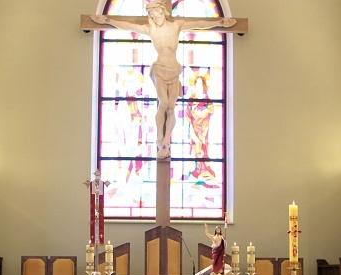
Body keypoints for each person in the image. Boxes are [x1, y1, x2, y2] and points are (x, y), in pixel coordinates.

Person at [92, 1, 235, 160]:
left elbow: (199, 24)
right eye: (152, 15)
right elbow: (127, 26)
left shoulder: (176, 25)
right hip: (159, 69)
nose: (155, 17)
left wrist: (220, 22)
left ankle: (166, 141)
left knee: (171, 107)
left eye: (156, 14)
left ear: (162, 11)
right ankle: (159, 138)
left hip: (173, 70)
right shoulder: (150, 29)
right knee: (164, 103)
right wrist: (108, 20)